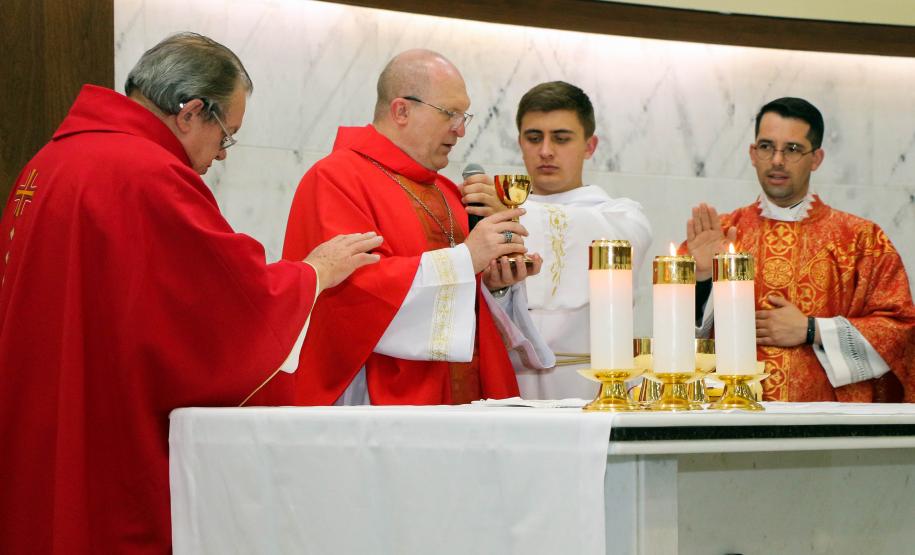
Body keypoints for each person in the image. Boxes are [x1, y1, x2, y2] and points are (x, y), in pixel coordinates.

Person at [0, 33, 381, 554]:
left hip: (44, 410)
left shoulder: (51, 160)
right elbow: (223, 307)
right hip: (108, 431)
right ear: (191, 112)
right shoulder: (147, 174)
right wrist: (312, 273)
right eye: (226, 134)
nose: (222, 155)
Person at [284, 49, 551, 406]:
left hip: (462, 398)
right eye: (450, 115)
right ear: (401, 111)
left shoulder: (445, 191)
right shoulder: (336, 179)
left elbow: (466, 307)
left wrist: (495, 284)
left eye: (464, 115)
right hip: (380, 401)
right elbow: (354, 293)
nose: (461, 130)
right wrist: (467, 258)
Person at [685, 97, 915, 402]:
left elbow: (900, 332)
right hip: (730, 415)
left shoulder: (861, 240)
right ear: (752, 154)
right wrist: (701, 279)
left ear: (816, 158)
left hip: (827, 425)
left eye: (792, 149)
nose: (777, 160)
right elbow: (674, 333)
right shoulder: (719, 234)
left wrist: (811, 330)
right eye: (766, 147)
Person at [461, 81, 652, 399]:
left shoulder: (623, 217)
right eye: (534, 138)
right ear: (520, 143)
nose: (546, 151)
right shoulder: (486, 217)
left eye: (561, 138)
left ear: (590, 146)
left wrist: (509, 215)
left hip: (593, 390)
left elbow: (604, 237)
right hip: (508, 388)